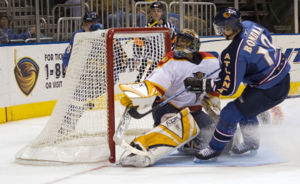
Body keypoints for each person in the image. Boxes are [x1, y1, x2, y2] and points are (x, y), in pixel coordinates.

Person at [184, 7, 290, 160]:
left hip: (271, 88)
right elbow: (268, 39)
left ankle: (214, 149)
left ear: (231, 27)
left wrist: (204, 85)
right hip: (277, 77)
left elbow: (229, 89)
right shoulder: (250, 25)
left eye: (222, 29)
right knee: (246, 110)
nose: (220, 32)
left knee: (230, 113)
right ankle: (251, 143)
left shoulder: (234, 53)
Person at [118, 29, 221, 167]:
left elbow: (214, 84)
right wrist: (137, 96)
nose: (178, 43)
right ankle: (141, 147)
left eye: (184, 41)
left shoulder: (210, 61)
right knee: (181, 125)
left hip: (194, 111)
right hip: (167, 108)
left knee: (213, 137)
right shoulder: (171, 61)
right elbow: (154, 84)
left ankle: (189, 142)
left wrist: (212, 99)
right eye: (177, 40)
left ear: (194, 44)